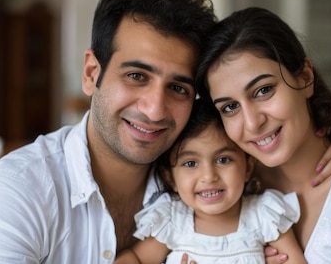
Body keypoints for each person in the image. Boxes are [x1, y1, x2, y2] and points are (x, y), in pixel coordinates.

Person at [0, 0, 331, 264]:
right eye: (136, 76)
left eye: (179, 88)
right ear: (92, 73)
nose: (154, 109)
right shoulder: (16, 194)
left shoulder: (201, 171)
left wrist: (330, 144)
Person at [196, 7, 331, 263]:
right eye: (230, 107)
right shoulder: (232, 188)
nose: (252, 123)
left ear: (305, 78)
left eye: (263, 90)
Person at [115, 99, 307, 264]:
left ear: (248, 167)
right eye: (190, 163)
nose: (209, 176)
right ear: (170, 177)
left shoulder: (265, 217)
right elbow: (135, 258)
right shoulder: (173, 221)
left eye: (223, 160)